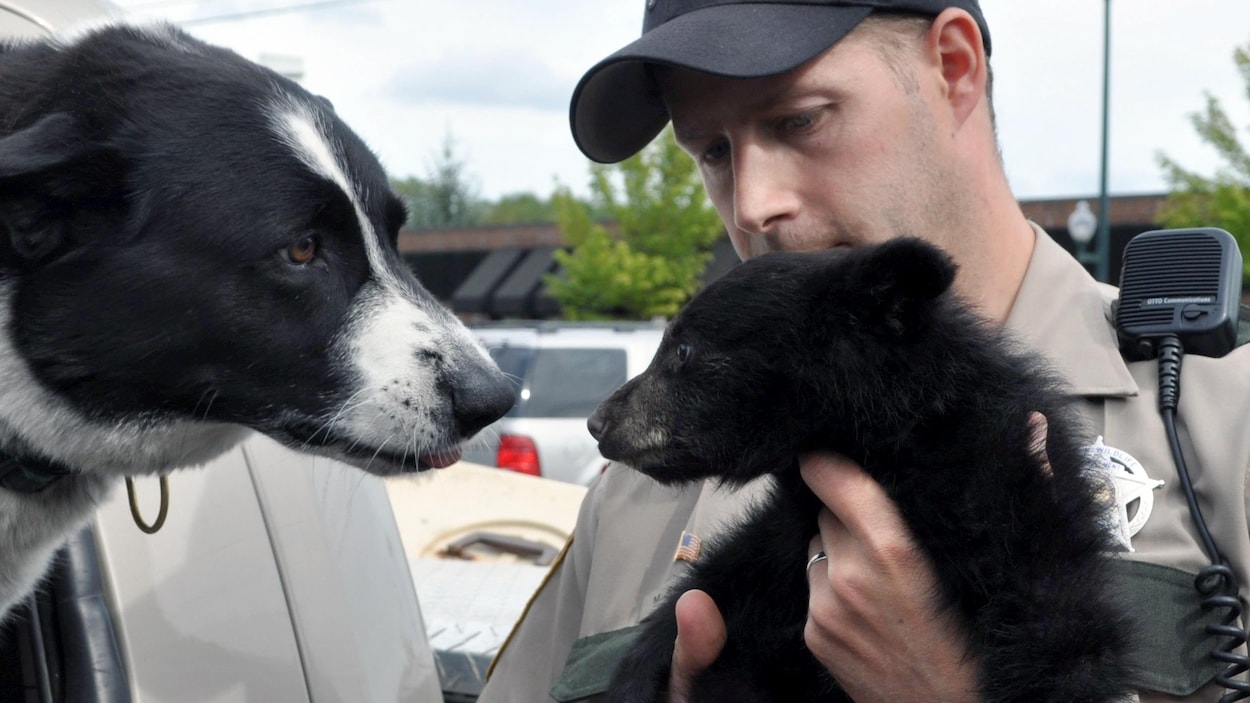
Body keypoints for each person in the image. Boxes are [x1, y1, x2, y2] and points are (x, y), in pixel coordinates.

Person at [478, 1, 1250, 701]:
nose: (751, 204)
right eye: (713, 150)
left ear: (953, 68)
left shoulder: (1224, 426)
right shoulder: (638, 497)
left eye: (799, 120)